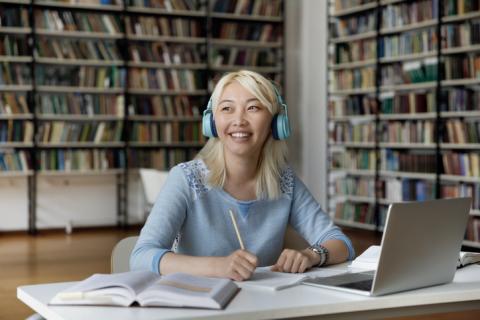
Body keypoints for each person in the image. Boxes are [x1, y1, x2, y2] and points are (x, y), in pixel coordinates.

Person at [130, 70, 354, 281]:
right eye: (227, 108)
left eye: (253, 108)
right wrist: (218, 267)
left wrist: (312, 254)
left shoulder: (285, 181)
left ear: (276, 123)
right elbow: (141, 257)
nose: (239, 120)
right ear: (212, 122)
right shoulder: (186, 178)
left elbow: (342, 243)